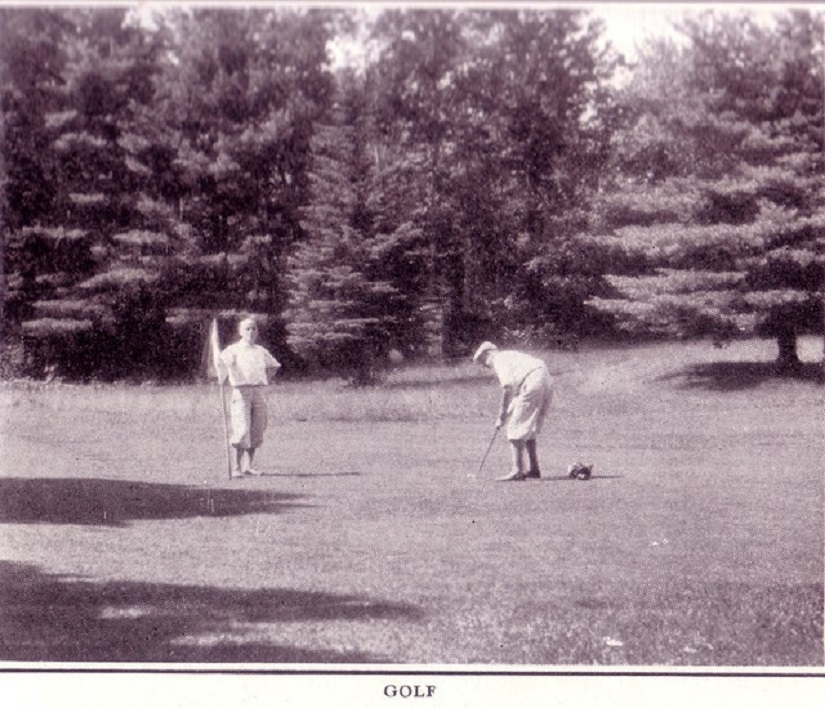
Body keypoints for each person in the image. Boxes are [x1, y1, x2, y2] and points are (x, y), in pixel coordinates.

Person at [473, 341, 553, 481]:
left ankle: (517, 471)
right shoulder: (511, 357)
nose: (486, 367)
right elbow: (517, 396)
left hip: (534, 380)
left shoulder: (499, 360)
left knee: (515, 427)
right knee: (530, 428)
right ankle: (534, 469)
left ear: (488, 354)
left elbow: (507, 388)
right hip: (545, 378)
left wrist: (501, 415)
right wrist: (504, 416)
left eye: (483, 362)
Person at [217, 317, 282, 477]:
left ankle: (248, 466)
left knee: (257, 429)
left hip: (258, 391)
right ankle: (236, 468)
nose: (251, 332)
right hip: (240, 392)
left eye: (254, 328)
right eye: (247, 329)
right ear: (240, 332)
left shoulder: (261, 351)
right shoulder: (233, 350)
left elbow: (273, 366)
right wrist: (224, 374)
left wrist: (264, 380)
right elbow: (220, 364)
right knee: (241, 429)